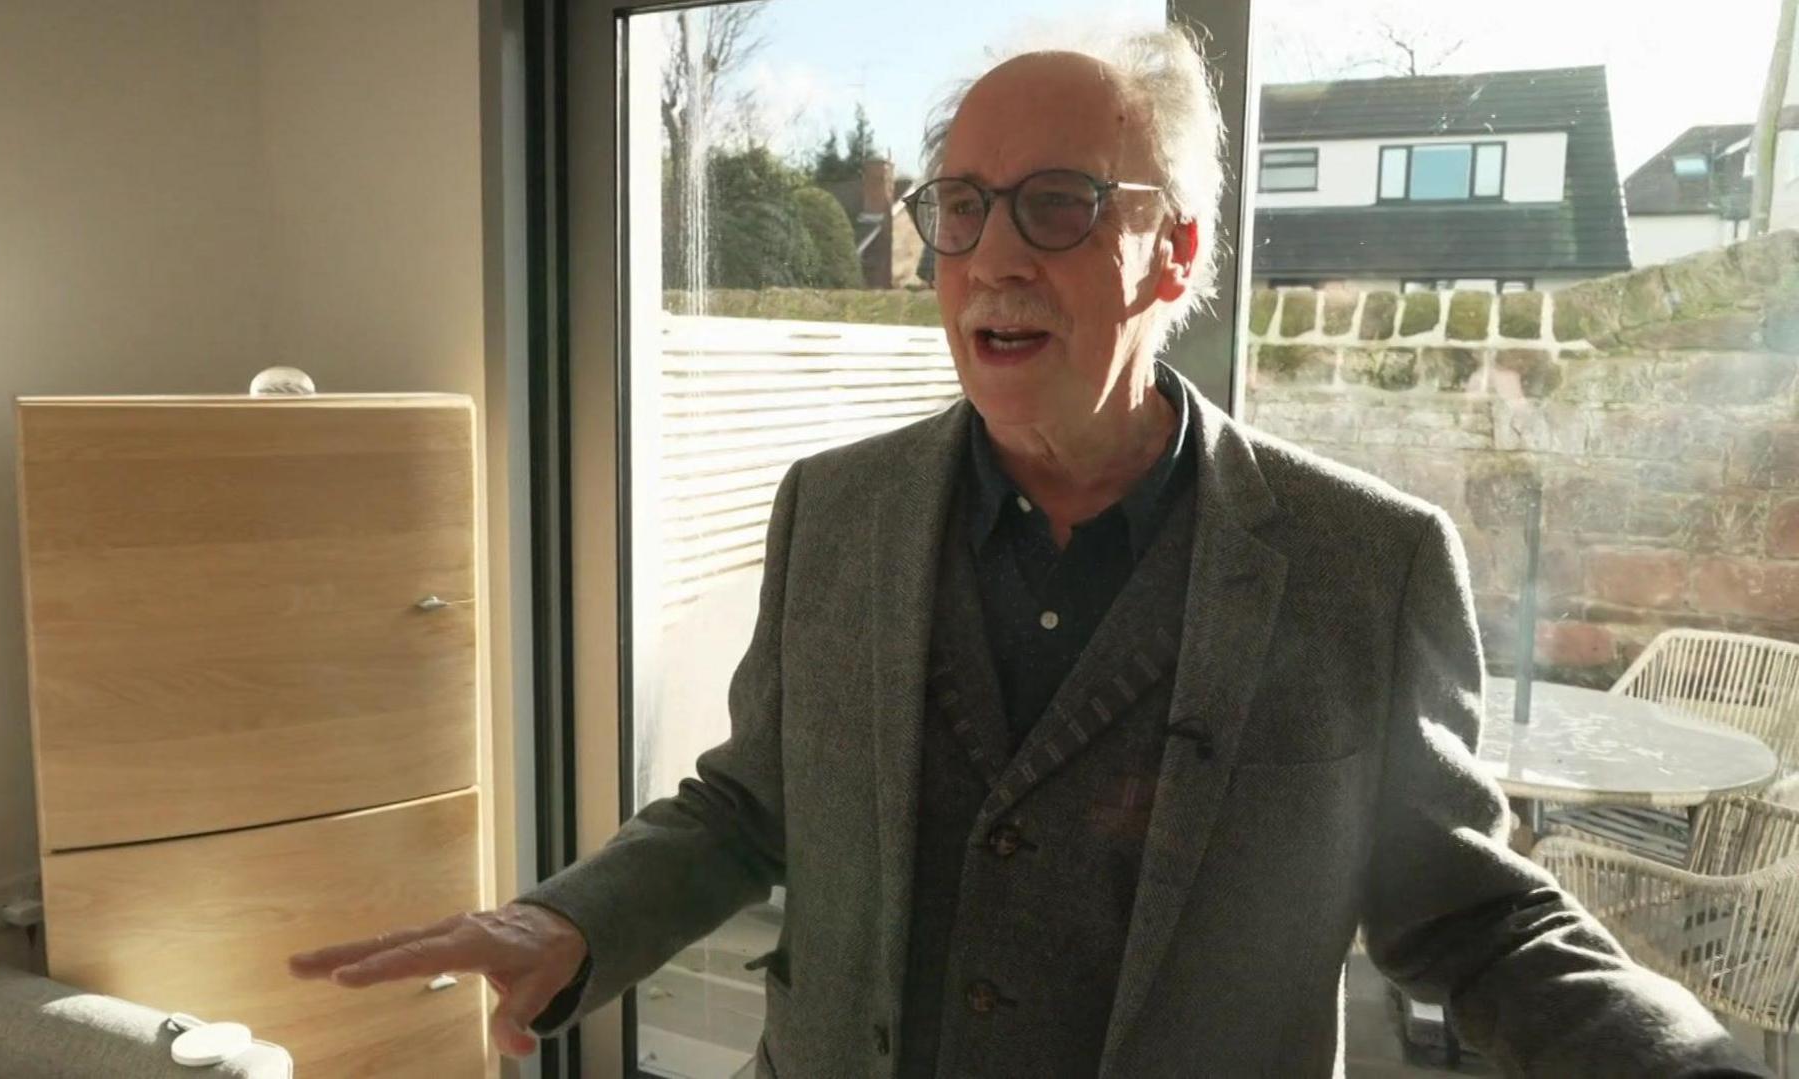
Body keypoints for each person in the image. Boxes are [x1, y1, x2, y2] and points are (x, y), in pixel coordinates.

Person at [291, 28, 1765, 1077]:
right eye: (960, 208)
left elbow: (1472, 914)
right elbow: (752, 806)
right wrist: (563, 922)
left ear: (1175, 254)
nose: (992, 254)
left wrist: (1681, 1057)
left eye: (1059, 206)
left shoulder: (1358, 566)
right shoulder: (835, 513)